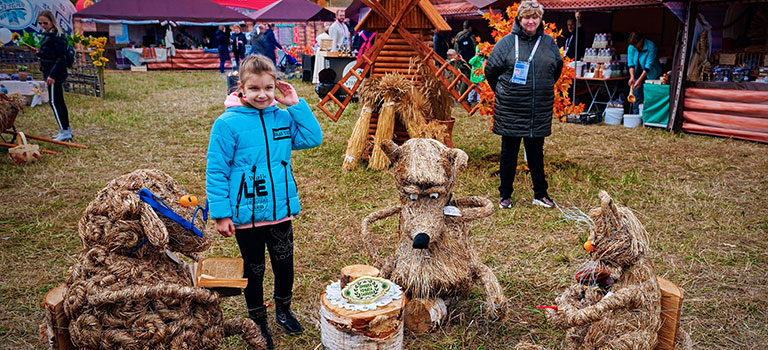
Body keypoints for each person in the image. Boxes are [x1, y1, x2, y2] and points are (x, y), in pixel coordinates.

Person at [206, 55, 323, 350]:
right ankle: (256, 319)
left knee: (285, 266)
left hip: (280, 211)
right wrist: (221, 214)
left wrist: (295, 104)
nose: (262, 95)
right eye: (255, 88)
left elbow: (312, 138)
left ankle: (283, 309)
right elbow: (217, 169)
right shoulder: (227, 124)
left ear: (277, 87)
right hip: (247, 215)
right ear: (241, 88)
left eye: (269, 88)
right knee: (254, 269)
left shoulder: (282, 117)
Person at [483, 0, 562, 209]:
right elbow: (490, 70)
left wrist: (540, 88)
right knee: (509, 152)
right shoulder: (507, 43)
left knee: (536, 153)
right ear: (520, 19)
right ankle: (505, 195)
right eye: (527, 17)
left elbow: (556, 69)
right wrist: (503, 90)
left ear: (540, 19)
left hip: (538, 108)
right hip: (512, 108)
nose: (531, 21)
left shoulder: (549, 43)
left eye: (535, 17)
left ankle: (540, 194)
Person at [36, 10, 71, 141]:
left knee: (54, 102)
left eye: (45, 22)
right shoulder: (48, 35)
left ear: (52, 22)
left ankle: (64, 131)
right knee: (59, 102)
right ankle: (66, 129)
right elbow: (50, 54)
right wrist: (39, 53)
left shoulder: (58, 36)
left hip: (54, 74)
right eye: (40, 23)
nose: (43, 25)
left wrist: (52, 75)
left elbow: (60, 58)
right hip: (50, 71)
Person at [627, 31, 662, 114]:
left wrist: (639, 80)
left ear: (641, 40)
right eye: (633, 45)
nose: (634, 46)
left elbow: (648, 65)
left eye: (636, 44)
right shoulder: (631, 47)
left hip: (652, 73)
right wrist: (632, 77)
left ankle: (649, 117)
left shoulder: (651, 46)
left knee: (650, 96)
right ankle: (636, 116)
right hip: (637, 73)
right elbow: (630, 63)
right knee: (636, 96)